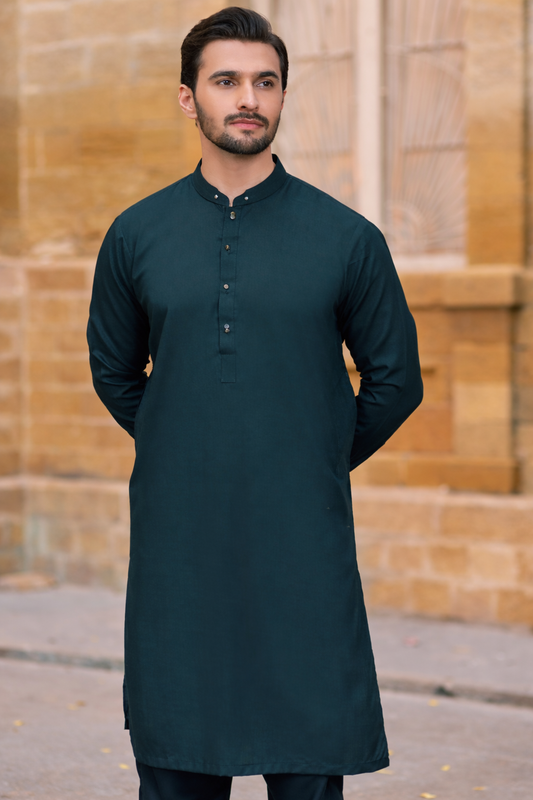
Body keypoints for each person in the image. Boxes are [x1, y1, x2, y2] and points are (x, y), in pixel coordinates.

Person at [87, 7, 423, 800]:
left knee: (306, 755)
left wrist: (310, 455)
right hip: (178, 544)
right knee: (177, 756)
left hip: (302, 544)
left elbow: (395, 380)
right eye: (226, 80)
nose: (248, 98)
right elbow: (114, 371)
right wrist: (187, 441)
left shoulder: (345, 238)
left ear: (281, 96)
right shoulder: (136, 234)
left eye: (265, 82)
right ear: (188, 97)